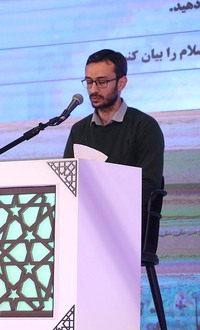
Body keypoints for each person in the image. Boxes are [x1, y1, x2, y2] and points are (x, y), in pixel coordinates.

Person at [63, 49, 165, 244]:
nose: (93, 89)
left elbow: (148, 186)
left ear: (121, 83)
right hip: (84, 227)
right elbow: (67, 182)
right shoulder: (79, 130)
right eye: (89, 82)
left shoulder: (144, 127)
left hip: (127, 228)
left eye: (102, 82)